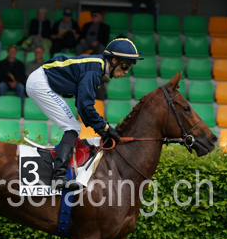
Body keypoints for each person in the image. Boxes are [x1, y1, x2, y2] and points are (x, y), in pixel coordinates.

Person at [26, 38, 142, 189]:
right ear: (114, 60)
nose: (126, 71)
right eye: (125, 65)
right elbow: (85, 107)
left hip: (41, 81)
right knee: (72, 127)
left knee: (73, 127)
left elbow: (83, 105)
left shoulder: (97, 67)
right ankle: (59, 177)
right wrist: (105, 128)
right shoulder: (94, 70)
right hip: (40, 83)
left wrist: (102, 130)